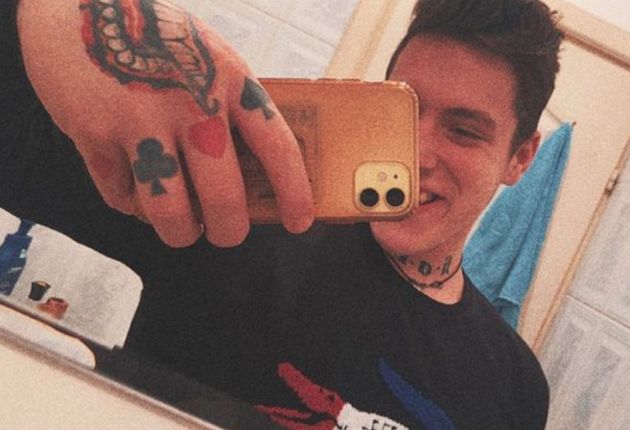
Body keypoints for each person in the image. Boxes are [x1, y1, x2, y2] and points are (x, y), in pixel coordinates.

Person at [0, 0, 563, 428]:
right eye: (402, 111)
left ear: (520, 157)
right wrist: (45, 19)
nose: (415, 155)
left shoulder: (513, 388)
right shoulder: (241, 209)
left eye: (463, 131)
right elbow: (25, 146)